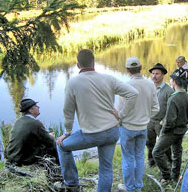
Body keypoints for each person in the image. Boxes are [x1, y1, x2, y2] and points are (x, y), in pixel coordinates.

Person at [55, 49, 138, 192]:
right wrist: (121, 115)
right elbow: (133, 93)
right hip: (112, 131)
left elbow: (68, 112)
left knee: (62, 146)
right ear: (94, 62)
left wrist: (67, 133)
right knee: (106, 168)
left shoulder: (72, 83)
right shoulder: (108, 79)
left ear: (77, 65)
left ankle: (71, 184)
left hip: (92, 134)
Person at [115, 57, 159, 192]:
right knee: (140, 157)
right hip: (143, 127)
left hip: (127, 127)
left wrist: (120, 120)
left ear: (127, 70)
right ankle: (138, 186)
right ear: (141, 67)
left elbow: (119, 111)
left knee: (128, 159)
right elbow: (156, 108)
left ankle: (129, 187)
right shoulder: (150, 84)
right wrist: (145, 117)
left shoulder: (125, 85)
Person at [152, 68, 188, 183]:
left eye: (171, 79)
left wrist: (163, 130)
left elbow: (170, 121)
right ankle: (175, 176)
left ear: (174, 81)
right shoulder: (187, 97)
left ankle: (166, 176)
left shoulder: (173, 98)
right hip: (182, 129)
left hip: (171, 132)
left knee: (156, 152)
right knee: (177, 152)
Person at [6, 98, 58, 166]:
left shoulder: (18, 122)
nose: (38, 107)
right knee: (55, 146)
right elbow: (50, 142)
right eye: (36, 106)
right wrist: (51, 136)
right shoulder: (35, 123)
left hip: (13, 158)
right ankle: (61, 171)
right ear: (31, 110)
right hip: (23, 160)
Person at [146, 63, 174, 167]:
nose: (154, 76)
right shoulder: (149, 87)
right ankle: (151, 161)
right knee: (149, 142)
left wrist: (165, 119)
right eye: (153, 73)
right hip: (149, 120)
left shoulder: (169, 90)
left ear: (162, 75)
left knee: (165, 144)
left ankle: (169, 161)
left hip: (161, 121)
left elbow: (171, 108)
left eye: (157, 74)